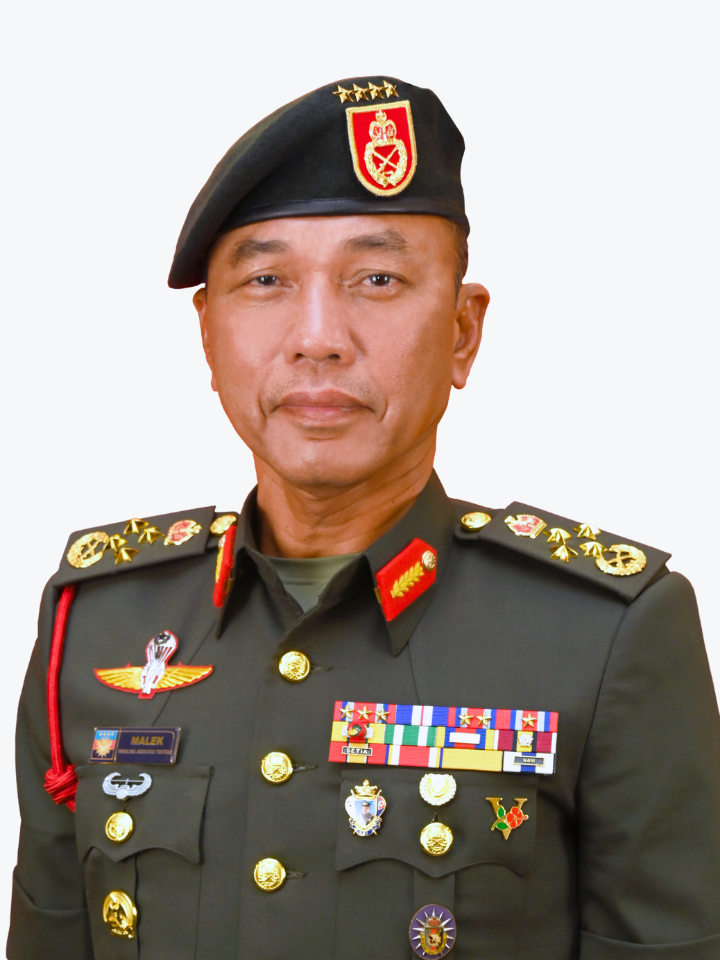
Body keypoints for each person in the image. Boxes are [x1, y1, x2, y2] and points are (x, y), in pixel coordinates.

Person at [7, 75, 720, 960]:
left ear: (462, 331)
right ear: (207, 335)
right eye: (266, 280)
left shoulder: (606, 636)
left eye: (377, 279)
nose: (317, 337)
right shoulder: (97, 620)